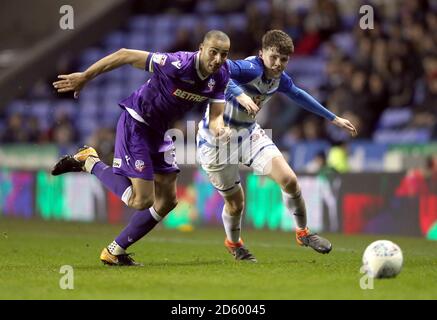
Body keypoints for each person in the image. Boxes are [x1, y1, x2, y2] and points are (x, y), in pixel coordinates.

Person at [52, 30, 231, 266]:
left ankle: (114, 251)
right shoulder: (177, 63)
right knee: (141, 201)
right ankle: (90, 161)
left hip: (160, 131)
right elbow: (125, 54)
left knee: (167, 200)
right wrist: (85, 76)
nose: (218, 59)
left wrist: (219, 128)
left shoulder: (221, 75)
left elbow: (216, 116)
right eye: (213, 52)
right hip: (137, 123)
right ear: (201, 48)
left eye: (224, 54)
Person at [197, 30, 357, 262]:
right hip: (216, 140)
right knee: (235, 204)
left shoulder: (279, 79)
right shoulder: (250, 69)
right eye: (273, 57)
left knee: (289, 180)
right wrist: (240, 95)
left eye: (284, 59)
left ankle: (303, 232)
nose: (278, 63)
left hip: (249, 133)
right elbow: (218, 72)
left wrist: (333, 118)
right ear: (261, 54)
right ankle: (234, 243)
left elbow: (299, 95)